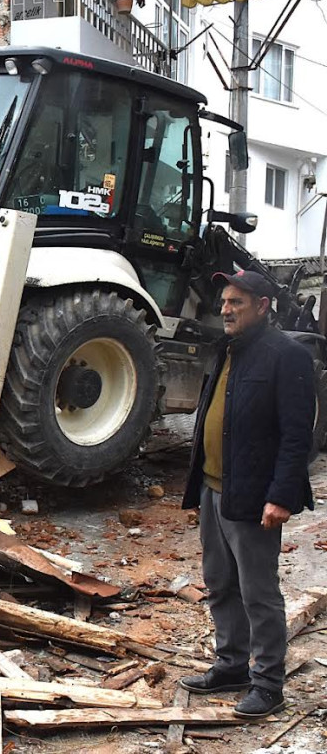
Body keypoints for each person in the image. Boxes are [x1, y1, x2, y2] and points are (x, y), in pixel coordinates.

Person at [178, 269, 316, 719]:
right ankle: (231, 664)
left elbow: (299, 437)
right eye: (224, 301)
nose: (225, 309)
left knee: (259, 592)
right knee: (220, 584)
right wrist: (198, 483)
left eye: (237, 302)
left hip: (256, 500)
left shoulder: (287, 356)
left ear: (263, 305)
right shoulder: (228, 351)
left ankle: (268, 684)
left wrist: (281, 496)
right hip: (215, 491)